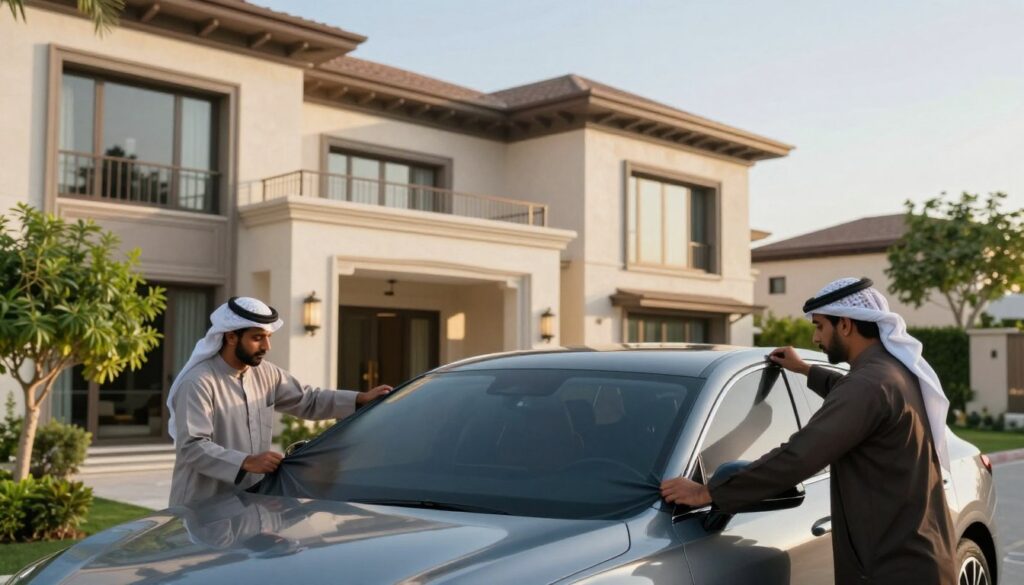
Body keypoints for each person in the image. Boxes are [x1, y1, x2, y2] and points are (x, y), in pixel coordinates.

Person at [660, 277, 956, 585]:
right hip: (916, 558)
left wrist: (707, 492)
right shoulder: (889, 373)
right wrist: (805, 370)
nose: (815, 338)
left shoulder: (867, 385)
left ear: (845, 325)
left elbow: (798, 457)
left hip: (891, 570)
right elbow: (856, 397)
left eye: (819, 326)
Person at [167, 296, 391, 506]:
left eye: (268, 337)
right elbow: (192, 446)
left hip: (249, 501)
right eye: (257, 338)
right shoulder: (198, 382)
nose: (266, 347)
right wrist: (246, 462)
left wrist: (360, 399)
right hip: (201, 505)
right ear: (231, 337)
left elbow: (308, 400)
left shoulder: (266, 374)